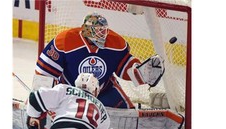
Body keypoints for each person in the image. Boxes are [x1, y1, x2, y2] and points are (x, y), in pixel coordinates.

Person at [35, 12, 165, 109]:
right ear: (86, 30)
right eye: (98, 31)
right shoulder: (65, 40)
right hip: (69, 92)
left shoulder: (116, 42)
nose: (102, 34)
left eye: (103, 30)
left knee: (128, 113)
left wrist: (140, 73)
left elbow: (124, 67)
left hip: (104, 91)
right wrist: (40, 99)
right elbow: (44, 72)